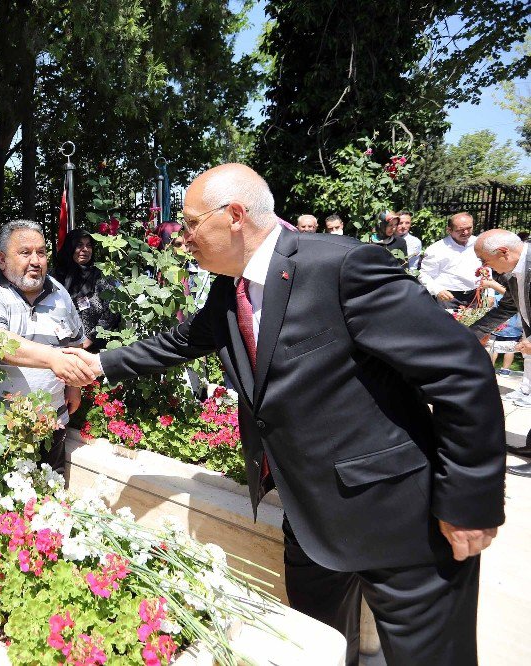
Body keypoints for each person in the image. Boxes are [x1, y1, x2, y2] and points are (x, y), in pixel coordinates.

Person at [62, 164, 505, 666]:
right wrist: (94, 365)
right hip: (310, 521)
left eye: (188, 223)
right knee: (316, 651)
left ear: (233, 215)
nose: (182, 238)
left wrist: (469, 499)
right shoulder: (229, 289)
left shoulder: (341, 266)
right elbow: (181, 342)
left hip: (399, 519)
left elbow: (460, 371)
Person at [0, 219, 90, 471]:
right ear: (2, 259)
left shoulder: (59, 293)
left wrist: (74, 386)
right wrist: (53, 358)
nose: (36, 260)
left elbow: (75, 340)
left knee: (51, 493)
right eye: (25, 253)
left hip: (51, 421)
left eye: (41, 252)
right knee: (1, 503)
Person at [470, 228, 531, 475]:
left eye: (485, 260)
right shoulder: (514, 271)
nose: (485, 266)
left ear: (504, 252)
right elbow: (506, 308)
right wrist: (468, 336)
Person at [53, 227, 121, 349]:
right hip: (59, 347)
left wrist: (90, 339)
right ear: (70, 247)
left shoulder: (101, 276)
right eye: (79, 245)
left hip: (93, 349)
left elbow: (112, 310)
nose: (85, 250)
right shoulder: (55, 277)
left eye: (89, 246)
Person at [419, 213, 480, 309]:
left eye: (469, 228)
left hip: (475, 296)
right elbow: (425, 275)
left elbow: (487, 268)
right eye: (460, 230)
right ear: (449, 230)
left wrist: (490, 294)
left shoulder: (479, 244)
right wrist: (437, 291)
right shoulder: (436, 249)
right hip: (448, 298)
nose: (466, 232)